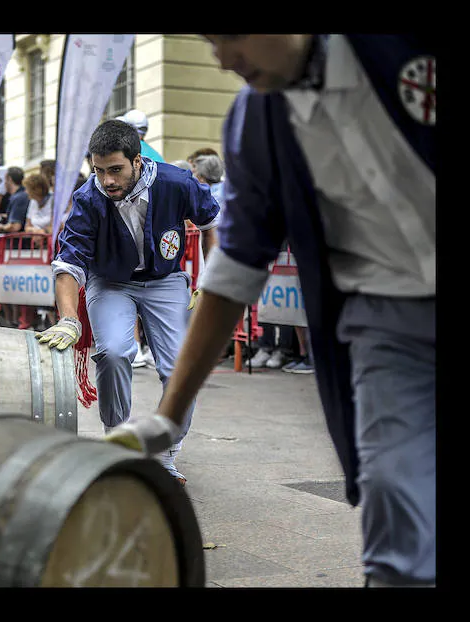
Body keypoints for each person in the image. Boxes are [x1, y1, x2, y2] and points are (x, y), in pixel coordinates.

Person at [105, 34, 435, 588]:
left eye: (230, 36)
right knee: (398, 532)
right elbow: (233, 272)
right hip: (386, 328)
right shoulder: (256, 124)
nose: (222, 58)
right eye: (210, 42)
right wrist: (167, 415)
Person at [38, 119, 220, 485]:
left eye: (116, 169)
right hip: (110, 282)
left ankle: (166, 453)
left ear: (138, 161)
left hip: (165, 281)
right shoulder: (88, 198)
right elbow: (68, 262)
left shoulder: (177, 182)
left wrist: (209, 283)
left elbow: (210, 224)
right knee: (115, 352)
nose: (107, 180)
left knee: (180, 369)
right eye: (99, 170)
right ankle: (116, 443)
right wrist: (70, 319)